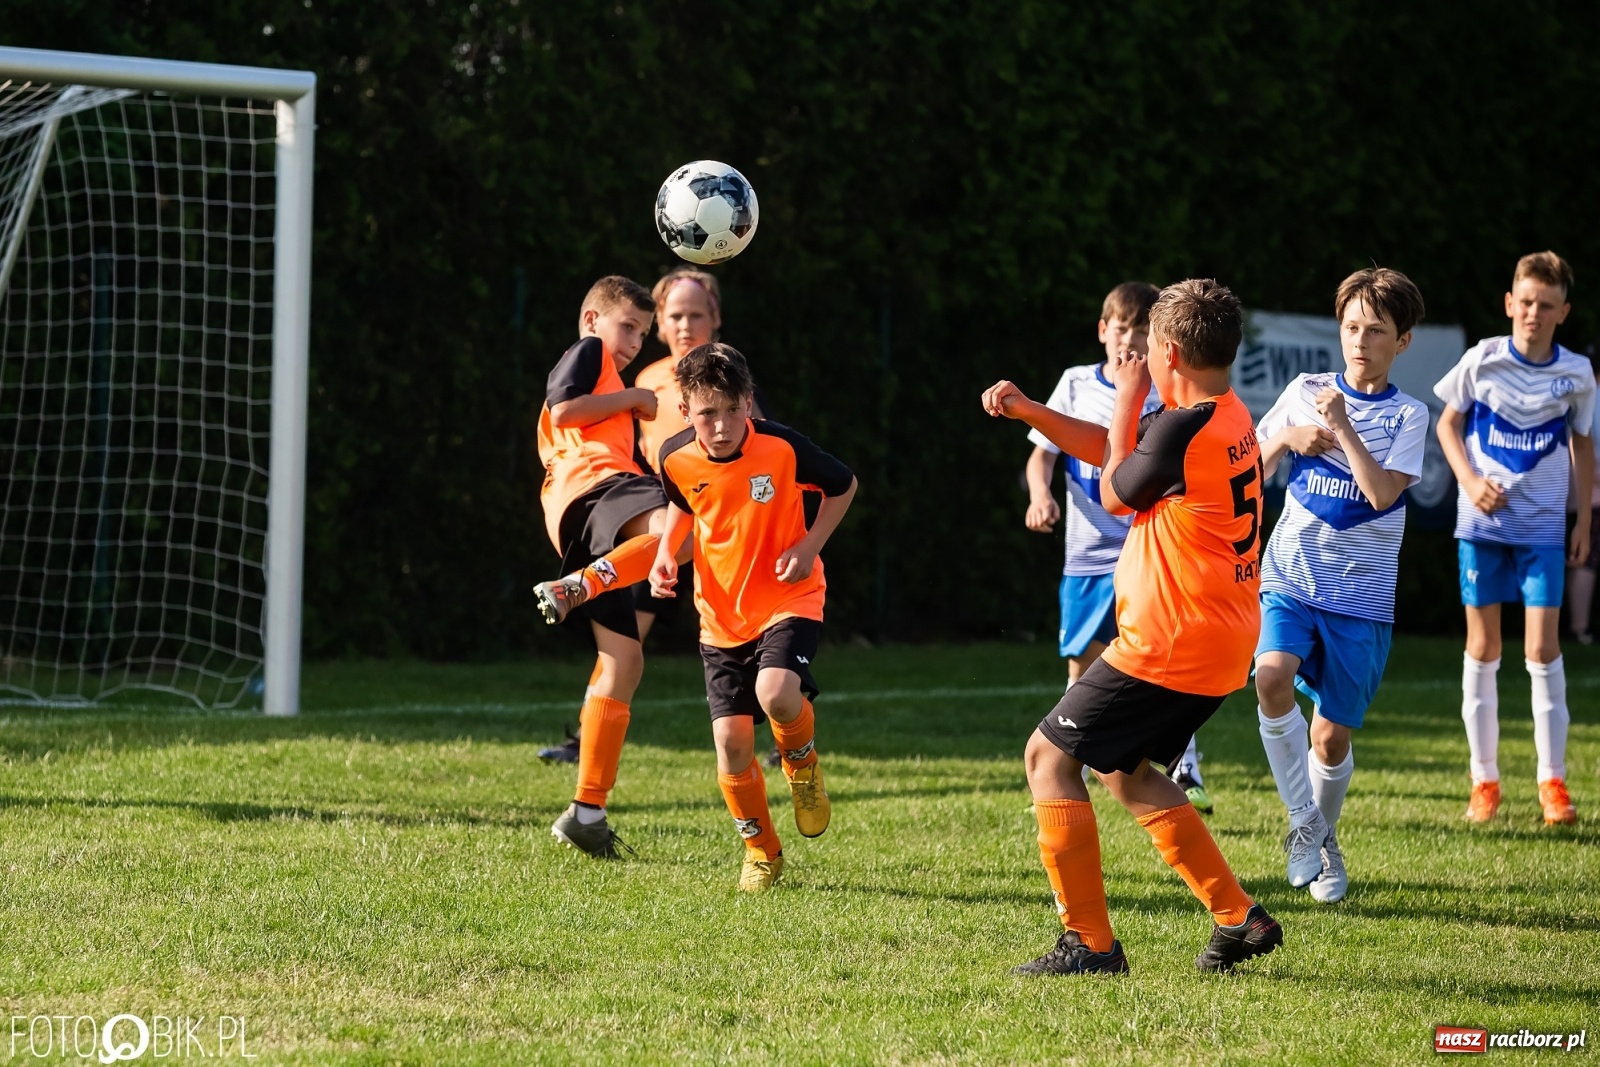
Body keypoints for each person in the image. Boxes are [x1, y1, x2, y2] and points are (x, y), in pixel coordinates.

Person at [982, 278, 1281, 976]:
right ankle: (1239, 917)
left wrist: (1124, 392)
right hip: (1221, 634)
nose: (1137, 358)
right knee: (1127, 772)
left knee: (1047, 758)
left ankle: (1089, 942)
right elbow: (1113, 452)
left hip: (1171, 639)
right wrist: (1032, 410)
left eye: (1147, 349)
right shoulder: (1225, 414)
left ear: (1167, 352)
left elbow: (1117, 490)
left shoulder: (1181, 425)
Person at [649, 343, 857, 891]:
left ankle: (802, 768)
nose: (720, 427)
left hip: (791, 598)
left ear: (748, 403)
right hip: (719, 617)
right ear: (686, 412)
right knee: (732, 745)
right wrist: (667, 551)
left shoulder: (782, 447)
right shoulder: (674, 456)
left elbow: (843, 485)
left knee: (777, 694)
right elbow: (682, 501)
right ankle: (761, 850)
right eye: (706, 414)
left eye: (730, 411)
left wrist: (811, 545)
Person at [1253, 268, 1430, 904]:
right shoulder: (1304, 390)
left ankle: (1324, 838)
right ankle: (1306, 827)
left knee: (1329, 737)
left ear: (1402, 341)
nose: (1359, 342)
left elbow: (1382, 493)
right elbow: (1248, 459)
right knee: (1270, 677)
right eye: (1351, 327)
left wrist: (1344, 427)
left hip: (1361, 603)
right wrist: (1284, 438)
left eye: (1376, 331)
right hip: (1291, 577)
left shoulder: (1412, 414)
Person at [1021, 281, 1215, 813]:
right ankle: (1066, 764)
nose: (1128, 337)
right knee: (1082, 664)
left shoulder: (1160, 392)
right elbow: (1045, 453)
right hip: (1085, 555)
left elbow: (1123, 482)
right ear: (1103, 330)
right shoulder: (1077, 382)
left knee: (1160, 662)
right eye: (1120, 325)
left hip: (1147, 554)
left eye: (1140, 328)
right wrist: (1041, 496)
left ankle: (1186, 763)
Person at [1434, 251, 1596, 825]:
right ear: (1509, 303)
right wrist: (1470, 480)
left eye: (1545, 305)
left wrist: (1583, 521)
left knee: (1542, 650)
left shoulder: (1576, 374)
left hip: (1544, 533)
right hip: (1481, 531)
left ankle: (1552, 782)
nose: (1533, 312)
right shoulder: (1482, 360)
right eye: (1524, 302)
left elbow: (1582, 445)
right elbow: (1447, 424)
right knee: (1483, 649)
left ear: (1563, 312)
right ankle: (1485, 783)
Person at [530, 275, 687, 858]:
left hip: (579, 509)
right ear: (593, 320)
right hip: (594, 490)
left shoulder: (612, 379)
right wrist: (636, 399)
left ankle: (587, 812)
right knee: (683, 524)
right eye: (628, 327)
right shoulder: (590, 353)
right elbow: (565, 408)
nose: (633, 343)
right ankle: (577, 583)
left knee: (623, 659)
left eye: (642, 334)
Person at [1566, 393, 1600, 644]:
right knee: (1586, 560)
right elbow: (1585, 448)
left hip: (1575, 493)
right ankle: (1580, 629)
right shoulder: (1591, 395)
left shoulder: (1582, 393)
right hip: (1590, 494)